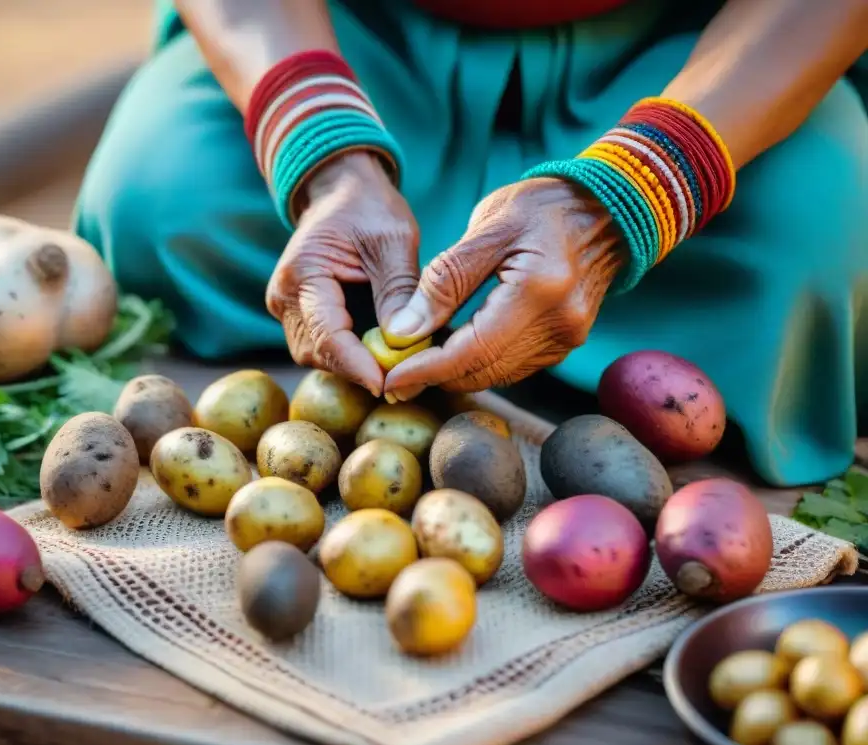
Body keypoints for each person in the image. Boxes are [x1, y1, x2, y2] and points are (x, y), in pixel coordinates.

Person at [74, 0, 868, 487]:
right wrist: (325, 154)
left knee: (816, 231)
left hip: (697, 68)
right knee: (156, 196)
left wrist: (635, 190)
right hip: (354, 43)